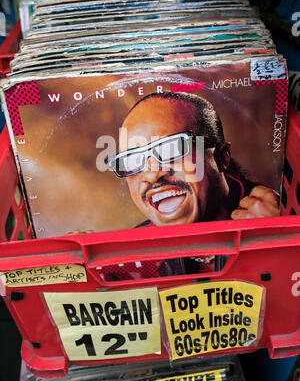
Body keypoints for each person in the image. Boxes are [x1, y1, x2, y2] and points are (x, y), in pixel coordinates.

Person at [104, 90, 280, 277]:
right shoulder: (133, 260)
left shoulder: (272, 215)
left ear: (222, 158)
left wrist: (283, 240)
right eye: (132, 160)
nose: (153, 175)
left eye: (172, 148)